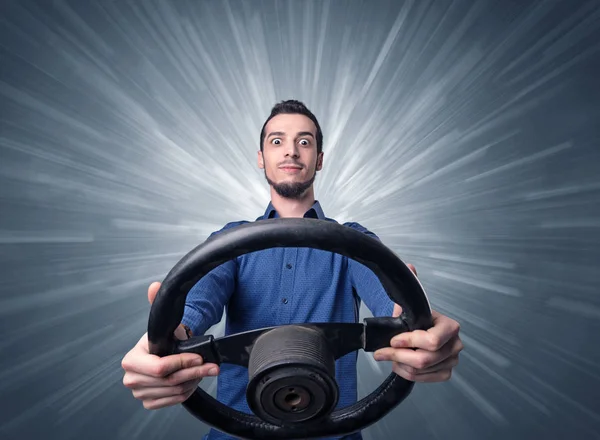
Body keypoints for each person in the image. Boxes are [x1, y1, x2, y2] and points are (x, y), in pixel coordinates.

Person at [121, 100, 463, 440]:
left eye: (304, 141)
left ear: (320, 158)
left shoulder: (355, 241)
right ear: (261, 158)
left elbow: (390, 298)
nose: (291, 152)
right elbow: (196, 304)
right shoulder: (227, 241)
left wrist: (420, 327)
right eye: (276, 141)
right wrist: (167, 339)